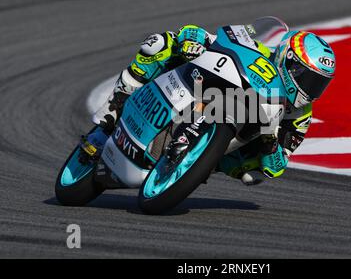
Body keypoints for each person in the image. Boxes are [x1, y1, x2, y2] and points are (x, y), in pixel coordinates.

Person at [82, 24, 336, 185]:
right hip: (203, 88)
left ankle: (200, 162)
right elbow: (209, 36)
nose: (311, 89)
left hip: (235, 140)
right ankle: (114, 109)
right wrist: (194, 39)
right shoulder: (261, 50)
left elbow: (276, 169)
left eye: (319, 84)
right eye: (309, 79)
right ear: (288, 61)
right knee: (160, 43)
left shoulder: (300, 115)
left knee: (255, 172)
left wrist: (271, 141)